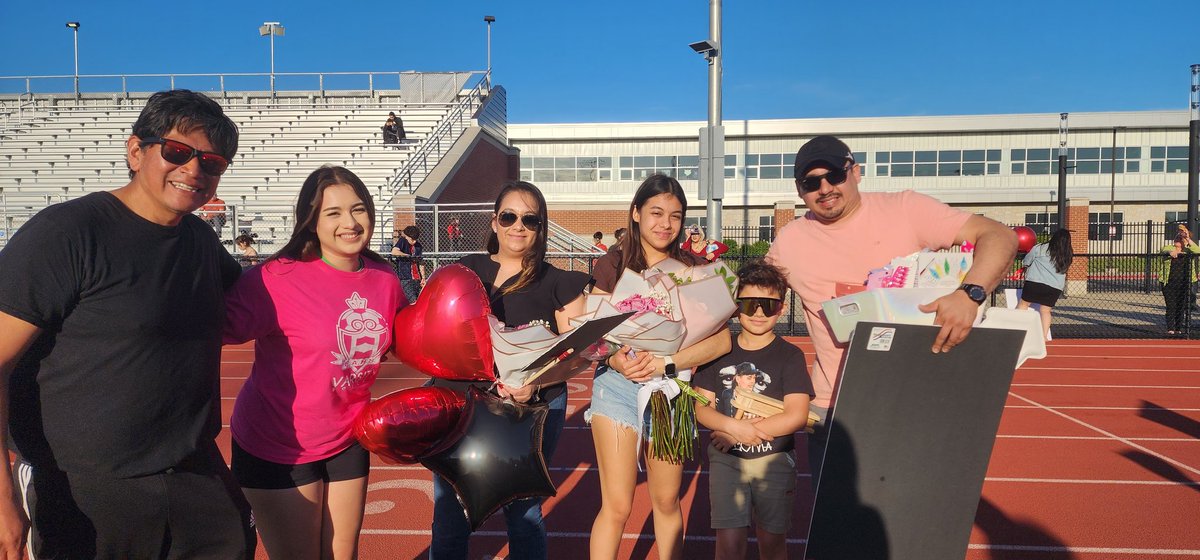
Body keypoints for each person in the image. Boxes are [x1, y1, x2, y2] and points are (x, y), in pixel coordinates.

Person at [0, 89, 254, 558]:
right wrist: (3, 504)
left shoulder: (199, 239)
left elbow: (267, 300)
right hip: (82, 488)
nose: (195, 170)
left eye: (213, 163)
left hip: (194, 473)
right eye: (177, 152)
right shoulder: (65, 234)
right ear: (136, 151)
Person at [765, 135, 1017, 488]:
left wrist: (969, 294)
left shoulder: (905, 209)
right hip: (834, 409)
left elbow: (999, 235)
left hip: (912, 403)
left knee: (912, 524)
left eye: (834, 175)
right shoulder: (790, 241)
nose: (824, 188)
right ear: (799, 190)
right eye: (811, 182)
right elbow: (751, 297)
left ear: (856, 172)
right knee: (837, 531)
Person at [223, 165, 405, 560]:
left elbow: (408, 340)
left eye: (358, 210)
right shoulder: (275, 278)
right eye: (333, 213)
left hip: (347, 435)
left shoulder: (384, 277)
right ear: (311, 220)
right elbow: (205, 329)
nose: (350, 223)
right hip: (278, 444)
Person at [427, 181, 590, 560]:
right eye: (509, 216)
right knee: (450, 514)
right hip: (462, 406)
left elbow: (578, 353)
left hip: (531, 411)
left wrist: (533, 384)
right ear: (494, 223)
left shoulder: (559, 282)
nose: (518, 226)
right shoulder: (464, 271)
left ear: (541, 226)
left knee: (524, 515)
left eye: (530, 219)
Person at [587, 174, 733, 560]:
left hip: (672, 392)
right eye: (655, 212)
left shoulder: (696, 268)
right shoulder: (613, 263)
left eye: (675, 215)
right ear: (636, 213)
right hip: (618, 388)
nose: (665, 224)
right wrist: (615, 358)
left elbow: (722, 339)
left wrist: (668, 363)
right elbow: (590, 330)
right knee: (617, 506)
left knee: (666, 502)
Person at [693, 260, 814, 560]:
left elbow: (796, 414)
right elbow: (701, 406)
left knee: (771, 543)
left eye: (768, 305)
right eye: (750, 304)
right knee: (729, 544)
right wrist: (736, 430)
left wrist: (738, 434)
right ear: (736, 306)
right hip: (726, 461)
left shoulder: (790, 355)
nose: (759, 312)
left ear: (782, 309)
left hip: (773, 460)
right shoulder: (719, 350)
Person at [1017, 229, 1073, 341]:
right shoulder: (1068, 254)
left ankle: (1019, 330)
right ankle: (1043, 336)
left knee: (1023, 305)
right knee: (1046, 311)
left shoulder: (1041, 248)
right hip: (1054, 286)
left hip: (1035, 282)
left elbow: (1027, 261)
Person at [1159, 224, 1198, 335]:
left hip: (1184, 283)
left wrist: (1187, 238)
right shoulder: (1169, 248)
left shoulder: (1188, 250)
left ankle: (1178, 328)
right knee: (1171, 306)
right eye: (1176, 237)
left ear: (1184, 242)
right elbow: (1163, 250)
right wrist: (1171, 253)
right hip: (1168, 282)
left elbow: (1197, 250)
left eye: (1179, 238)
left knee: (1181, 306)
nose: (1177, 238)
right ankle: (1170, 328)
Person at [391, 224, 425, 304]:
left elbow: (421, 262)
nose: (414, 241)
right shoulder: (403, 241)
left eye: (416, 239)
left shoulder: (418, 246)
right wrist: (407, 256)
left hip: (417, 279)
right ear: (407, 236)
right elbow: (394, 251)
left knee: (420, 302)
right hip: (406, 278)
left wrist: (423, 278)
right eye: (412, 239)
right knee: (413, 302)